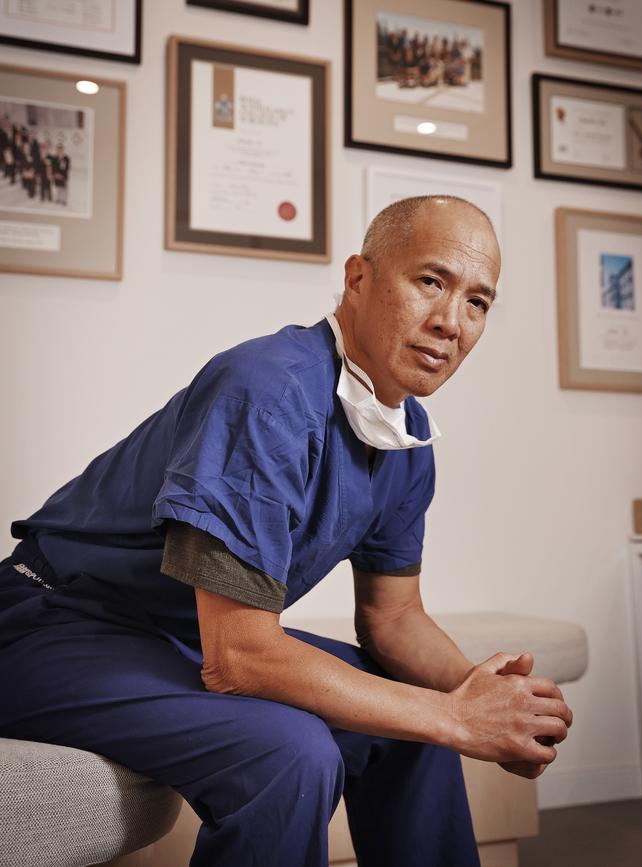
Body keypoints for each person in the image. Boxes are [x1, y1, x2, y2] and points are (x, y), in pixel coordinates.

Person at [0, 196, 573, 867]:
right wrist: (454, 716)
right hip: (51, 625)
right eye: (430, 281)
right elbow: (238, 656)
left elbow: (393, 620)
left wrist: (479, 693)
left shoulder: (406, 437)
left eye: (477, 302)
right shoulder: (268, 390)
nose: (450, 322)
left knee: (412, 725)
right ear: (359, 277)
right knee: (289, 753)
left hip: (176, 632)